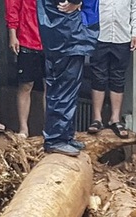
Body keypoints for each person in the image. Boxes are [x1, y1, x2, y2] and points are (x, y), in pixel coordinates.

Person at [37, 0, 98, 157]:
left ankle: (64, 136)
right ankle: (56, 138)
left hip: (65, 30)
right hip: (66, 31)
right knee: (63, 85)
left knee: (68, 86)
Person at [87, 0, 136, 138]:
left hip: (122, 34)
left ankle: (115, 119)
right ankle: (97, 118)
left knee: (118, 77)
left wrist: (135, 32)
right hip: (99, 34)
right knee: (98, 75)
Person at [5, 0, 44, 138]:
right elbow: (12, 6)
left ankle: (50, 130)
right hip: (27, 38)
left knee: (51, 86)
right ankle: (23, 129)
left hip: (51, 40)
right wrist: (12, 34)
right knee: (25, 85)